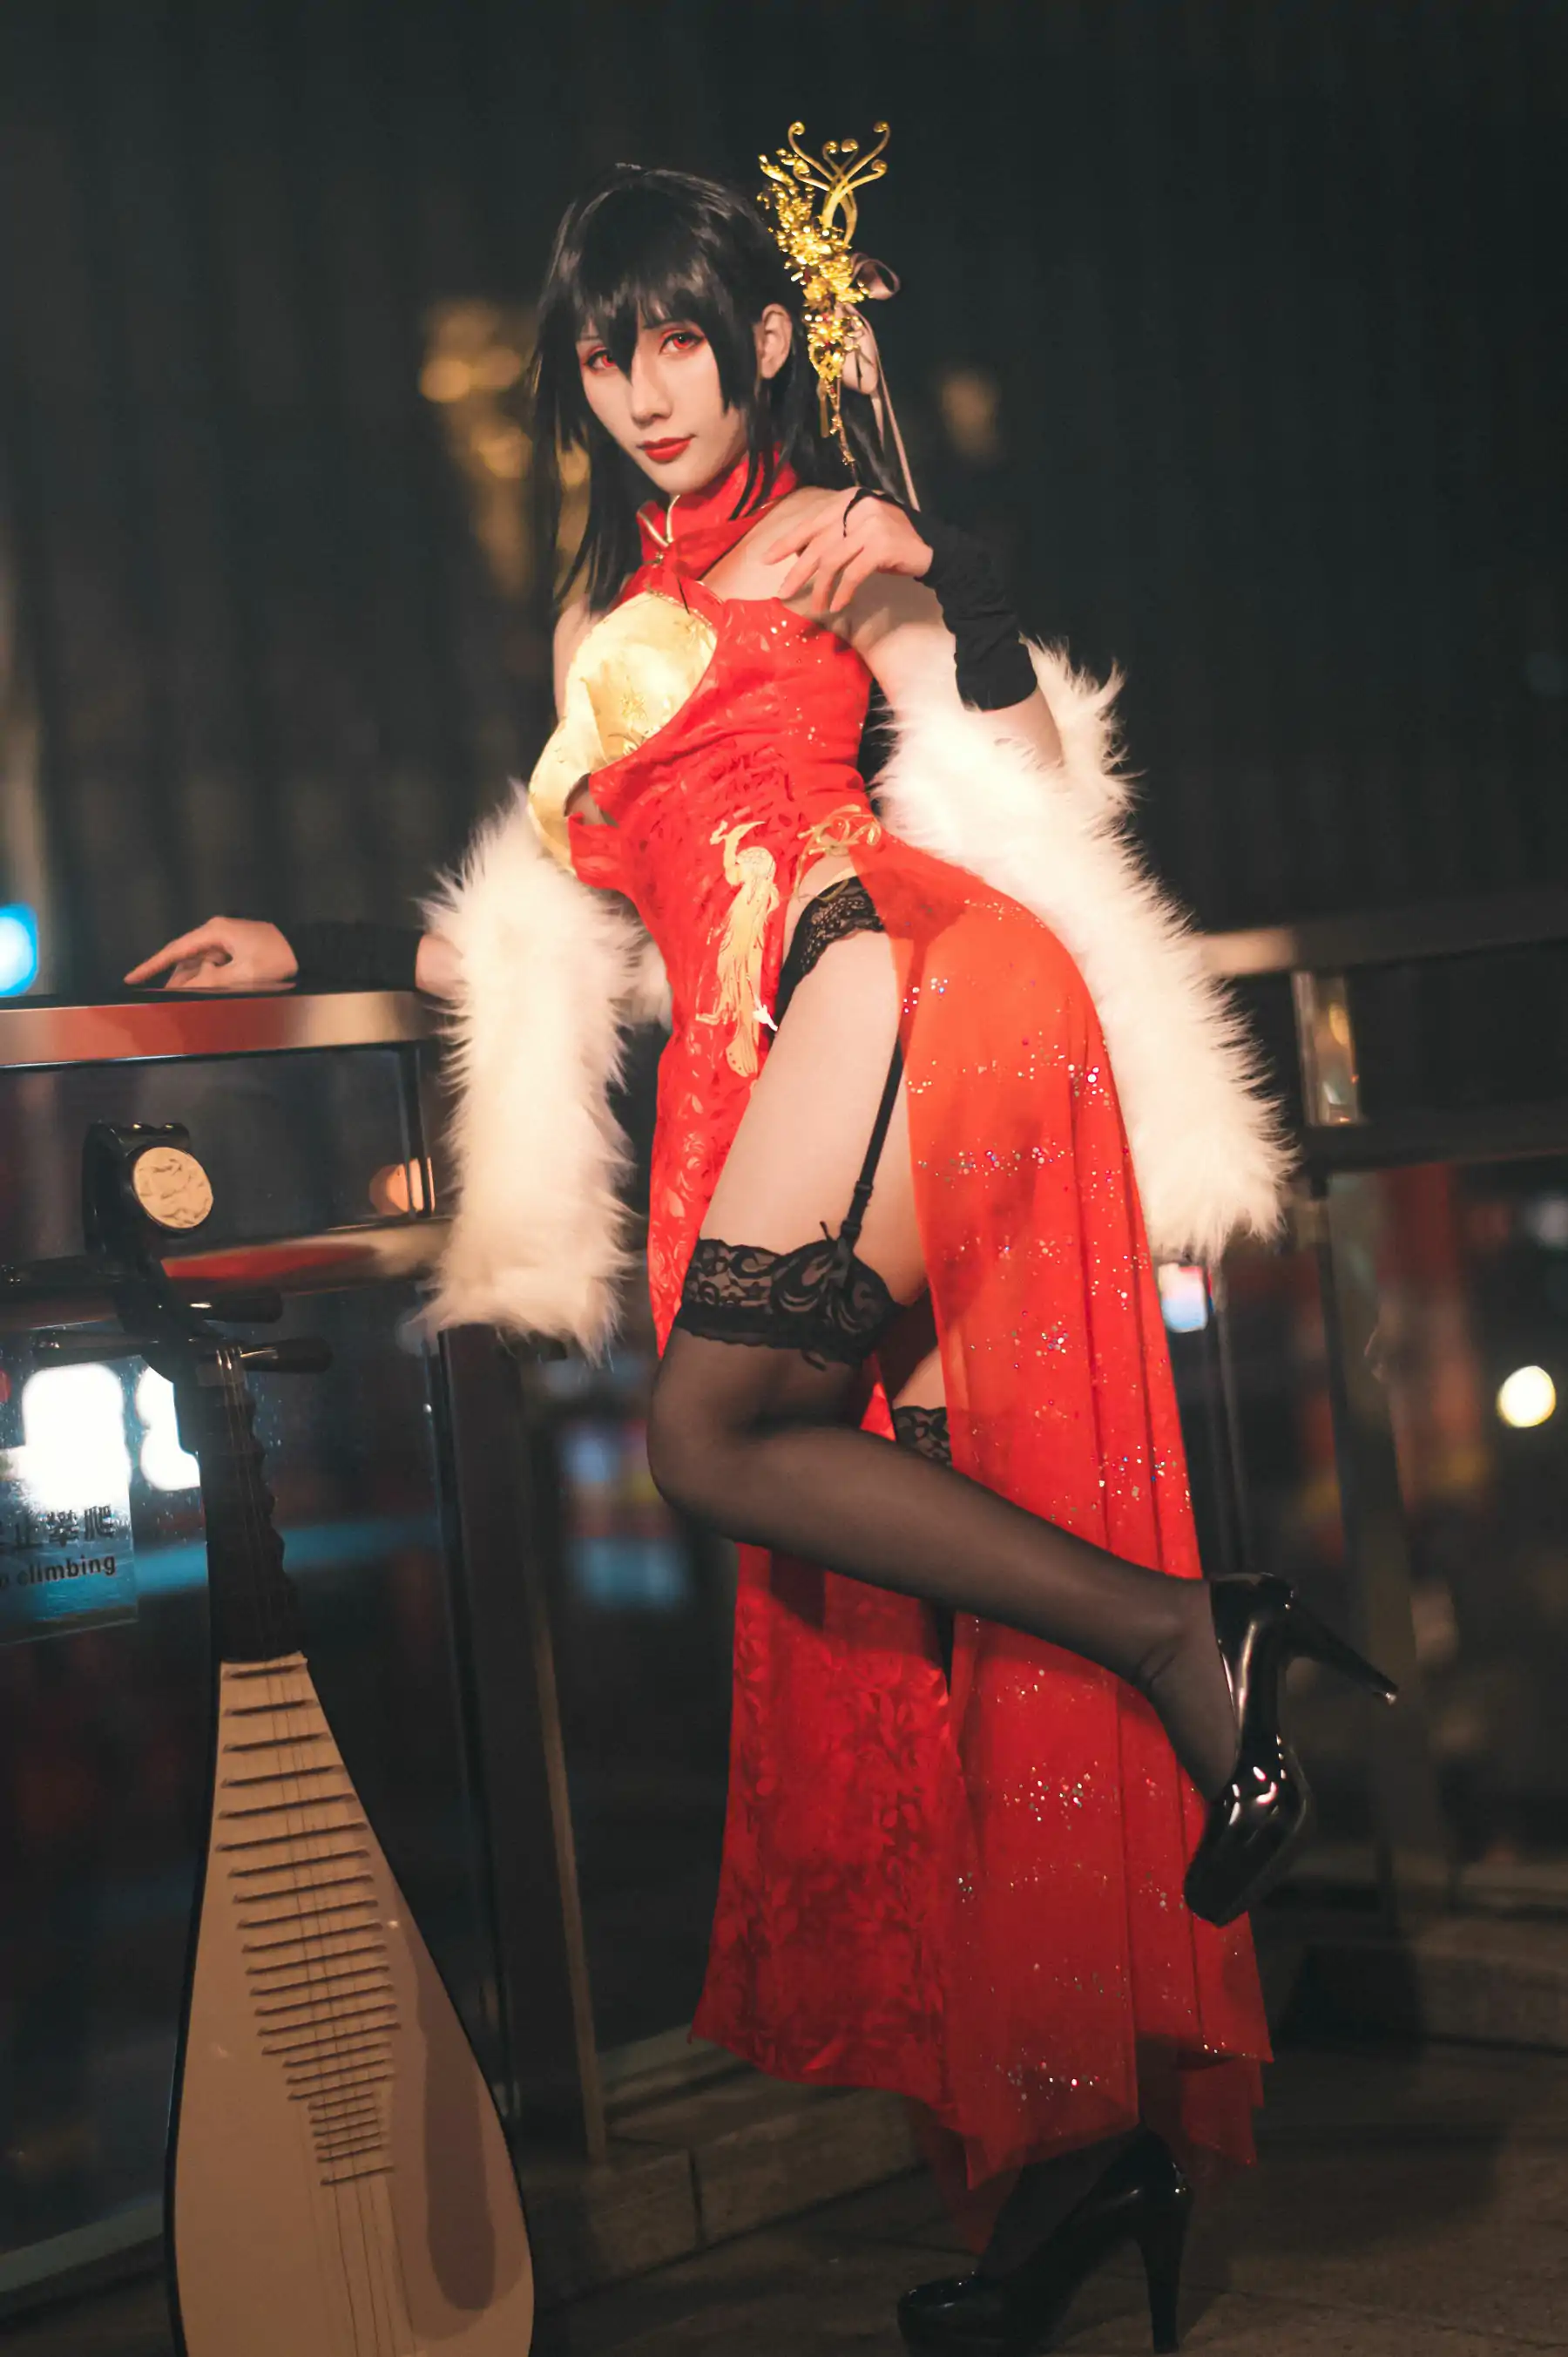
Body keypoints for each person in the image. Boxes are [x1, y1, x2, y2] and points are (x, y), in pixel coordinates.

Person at [130, 141, 1396, 2355]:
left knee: (712, 1439)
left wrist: (937, 565)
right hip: (753, 1116)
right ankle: (1066, 2179)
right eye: (605, 353)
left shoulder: (824, 533)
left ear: (767, 343)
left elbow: (1019, 773)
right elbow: (574, 920)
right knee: (918, 1672)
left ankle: (1197, 1638)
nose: (645, 388)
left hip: (881, 1001)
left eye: (680, 342)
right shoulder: (591, 628)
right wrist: (305, 943)